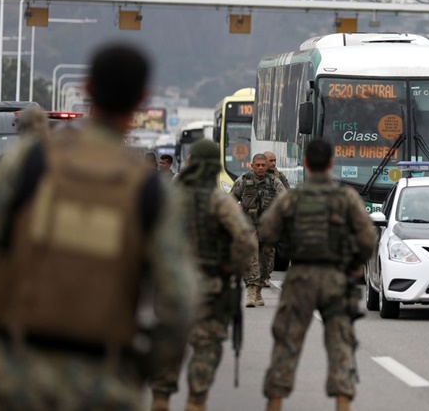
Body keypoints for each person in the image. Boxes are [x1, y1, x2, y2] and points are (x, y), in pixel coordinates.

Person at [0, 42, 199, 410]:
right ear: (141, 100)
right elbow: (180, 301)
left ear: (87, 89)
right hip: (102, 385)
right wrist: (137, 368)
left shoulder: (26, 163)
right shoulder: (151, 191)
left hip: (13, 375)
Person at [259, 139, 377, 411]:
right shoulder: (345, 197)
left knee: (287, 342)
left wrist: (289, 241)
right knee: (340, 345)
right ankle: (342, 402)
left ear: (306, 164)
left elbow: (267, 231)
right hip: (336, 277)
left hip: (300, 276)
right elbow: (368, 237)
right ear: (331, 164)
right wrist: (353, 265)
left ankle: (275, 401)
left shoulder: (292, 198)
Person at [149, 139, 257, 411]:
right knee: (206, 347)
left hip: (170, 286)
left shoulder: (167, 196)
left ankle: (160, 397)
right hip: (209, 286)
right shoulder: (219, 201)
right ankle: (196, 401)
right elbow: (245, 240)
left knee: (167, 342)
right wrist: (232, 269)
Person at [231, 153, 285, 307]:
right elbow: (231, 200)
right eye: (258, 165)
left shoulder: (274, 182)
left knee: (266, 260)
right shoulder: (243, 181)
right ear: (252, 166)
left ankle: (259, 289)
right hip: (249, 226)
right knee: (251, 258)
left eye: (263, 165)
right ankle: (251, 291)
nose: (261, 168)